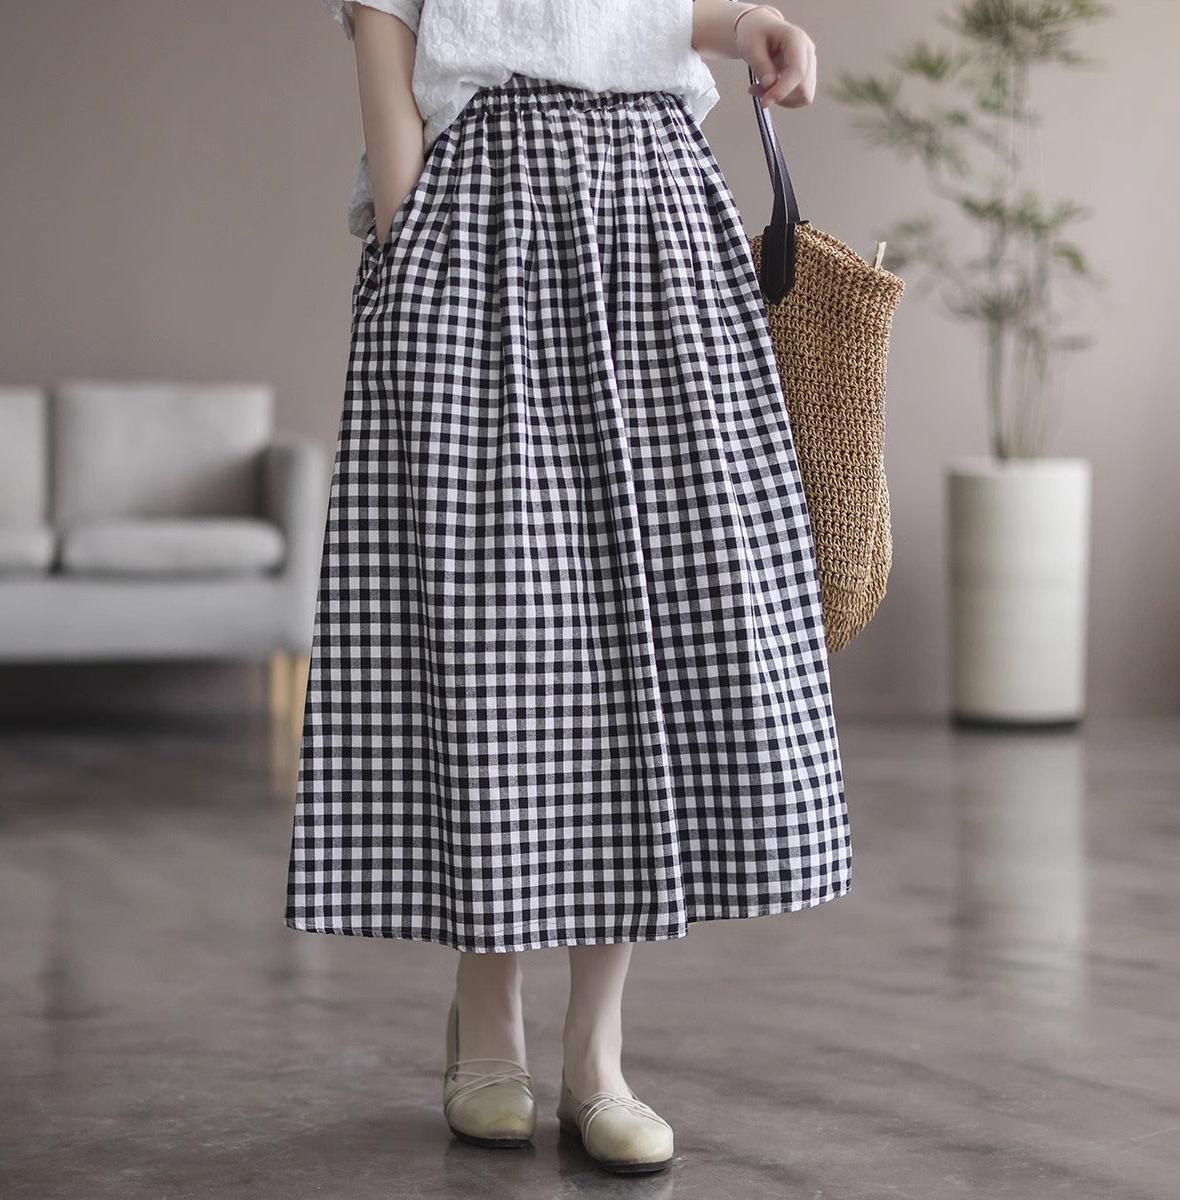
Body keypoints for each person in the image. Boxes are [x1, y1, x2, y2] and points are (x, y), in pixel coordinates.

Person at [286, 0, 850, 1175]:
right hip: (481, 225)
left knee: (637, 634)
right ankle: (486, 1015)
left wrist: (750, 23)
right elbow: (390, 54)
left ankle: (598, 1053)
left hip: (653, 216)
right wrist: (414, 260)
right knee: (496, 639)